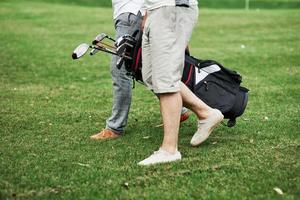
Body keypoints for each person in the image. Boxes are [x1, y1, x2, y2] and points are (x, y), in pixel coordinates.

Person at [138, 0, 224, 165]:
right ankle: (206, 113)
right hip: (154, 9)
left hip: (171, 9)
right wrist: (146, 12)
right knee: (150, 77)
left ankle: (169, 150)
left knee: (166, 80)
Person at [90, 0, 190, 141]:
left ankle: (114, 127)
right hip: (133, 14)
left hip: (132, 15)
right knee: (148, 71)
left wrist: (146, 14)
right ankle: (181, 111)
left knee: (120, 70)